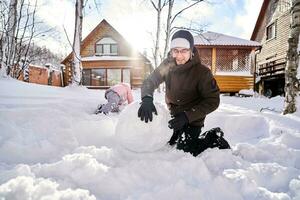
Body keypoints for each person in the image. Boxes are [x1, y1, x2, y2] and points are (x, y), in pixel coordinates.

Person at [137, 30, 230, 156]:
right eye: (175, 50)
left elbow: (213, 100)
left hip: (192, 119)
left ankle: (213, 137)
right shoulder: (167, 65)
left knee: (184, 151)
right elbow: (150, 81)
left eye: (184, 51)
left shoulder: (202, 72)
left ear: (191, 50)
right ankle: (178, 134)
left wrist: (187, 116)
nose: (179, 56)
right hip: (174, 117)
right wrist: (147, 98)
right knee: (165, 142)